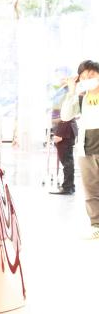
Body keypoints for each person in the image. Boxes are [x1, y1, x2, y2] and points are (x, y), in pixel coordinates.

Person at [60, 60, 99, 237]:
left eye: (92, 75)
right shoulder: (81, 98)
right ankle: (96, 226)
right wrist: (72, 91)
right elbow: (66, 115)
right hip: (87, 149)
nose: (87, 79)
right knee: (91, 190)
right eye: (83, 77)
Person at [49, 118, 77, 194]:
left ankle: (68, 187)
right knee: (68, 161)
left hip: (65, 128)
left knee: (67, 162)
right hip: (67, 128)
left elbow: (66, 116)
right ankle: (70, 186)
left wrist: (54, 120)